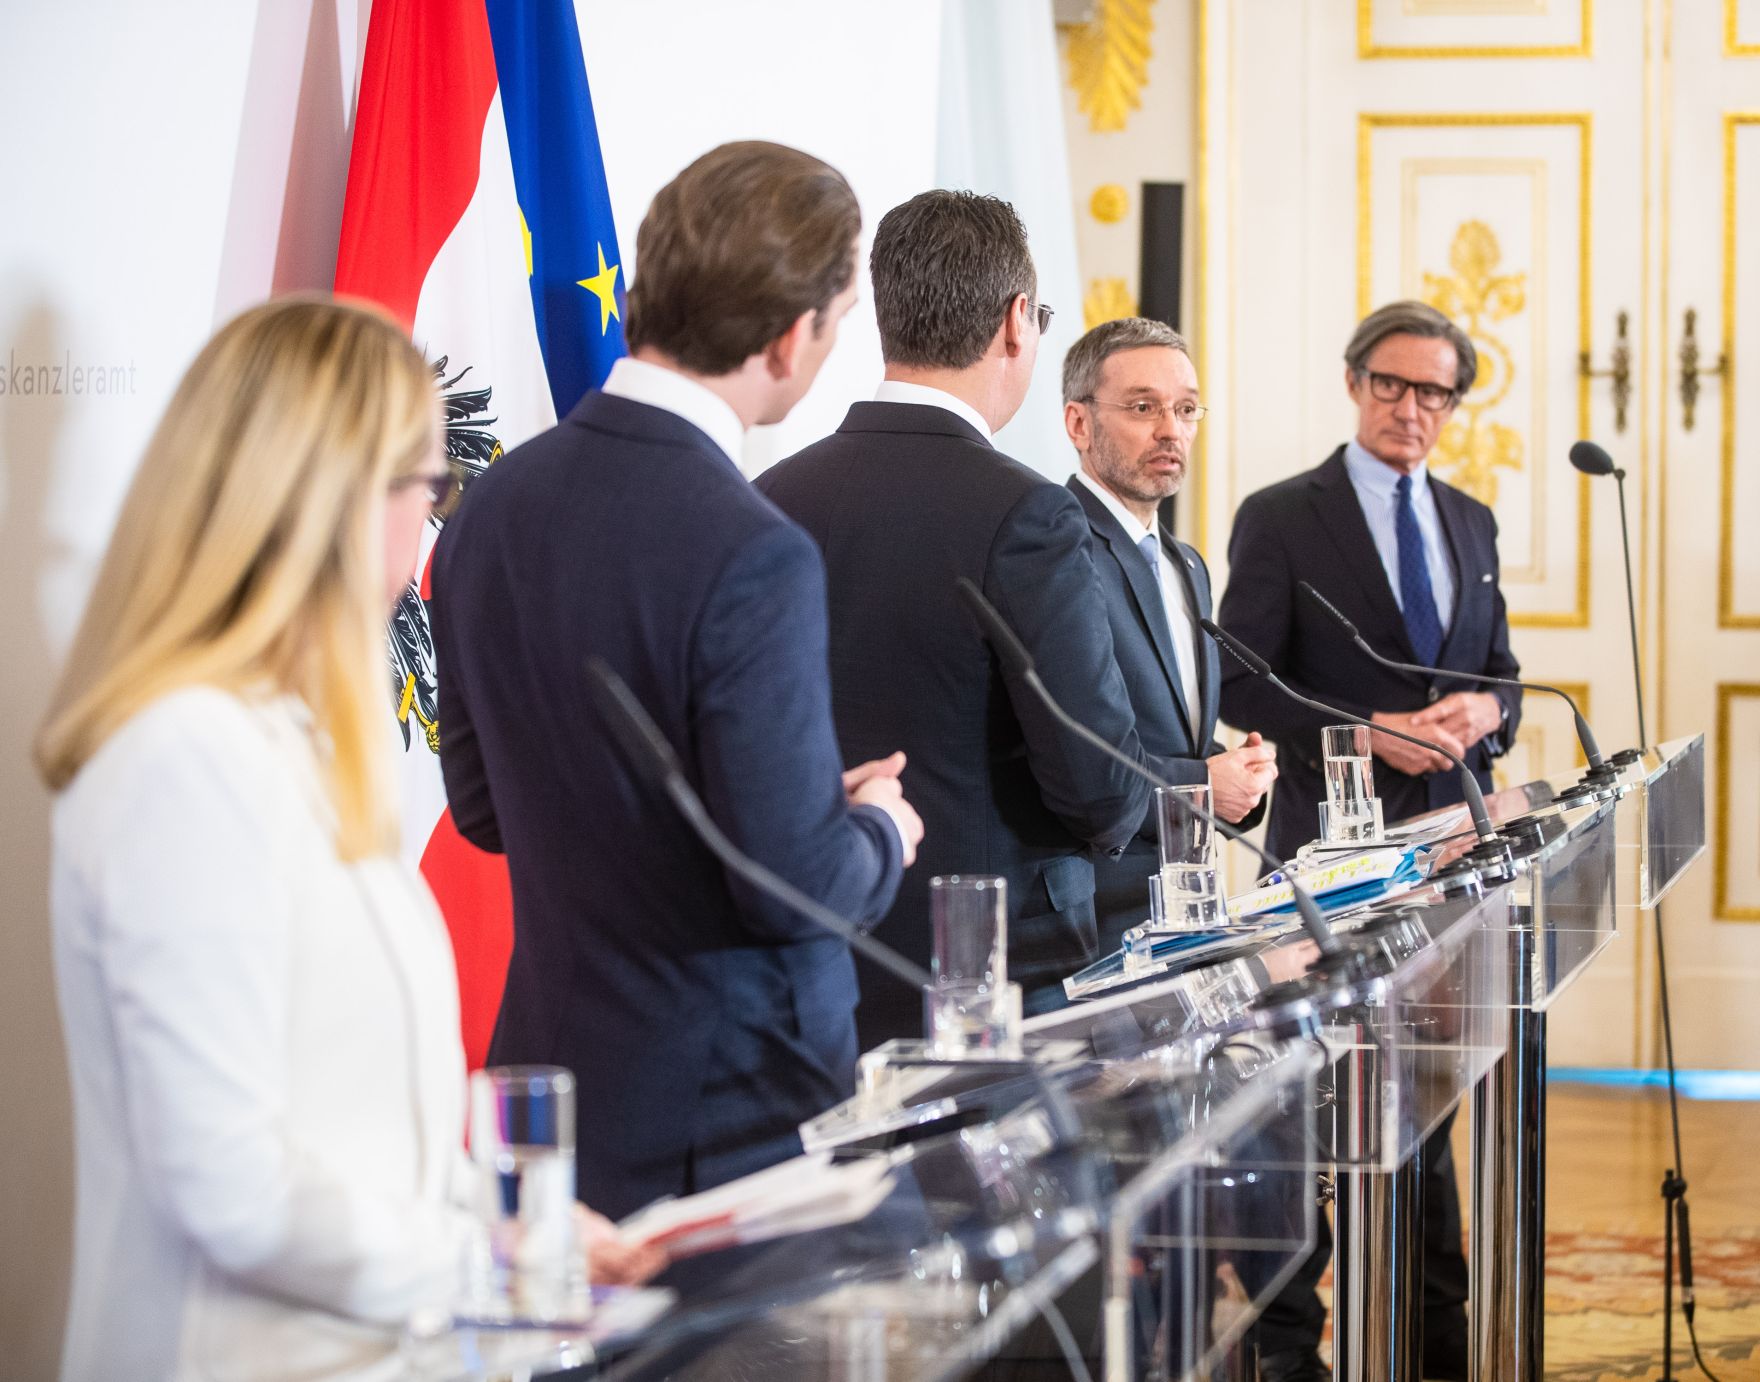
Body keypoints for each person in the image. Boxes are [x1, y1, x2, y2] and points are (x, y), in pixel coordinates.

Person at [34, 298, 660, 1382]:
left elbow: (369, 1132)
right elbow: (231, 1182)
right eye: (427, 488)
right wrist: (493, 1263)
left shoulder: (296, 744)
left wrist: (531, 1232)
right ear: (327, 497)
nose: (433, 526)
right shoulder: (183, 762)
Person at [430, 143, 923, 1226]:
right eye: (838, 320)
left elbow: (483, 807)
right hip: (731, 1112)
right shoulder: (752, 547)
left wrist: (785, 803)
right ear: (794, 335)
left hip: (560, 1087)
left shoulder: (486, 509)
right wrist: (876, 825)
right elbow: (792, 885)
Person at [758, 190, 1174, 1044]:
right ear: (1018, 322)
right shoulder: (1027, 513)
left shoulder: (772, 496)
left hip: (812, 955)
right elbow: (1103, 792)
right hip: (989, 977)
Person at [1217, 299, 1522, 1382]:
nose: (1410, 408)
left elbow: (1497, 670)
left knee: (1422, 1116)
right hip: (1323, 874)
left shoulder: (1471, 520)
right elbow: (1236, 676)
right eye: (1389, 384)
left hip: (1451, 864)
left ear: (1452, 404)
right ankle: (1286, 1351)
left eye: (1432, 391)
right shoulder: (1281, 515)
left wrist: (1491, 713)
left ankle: (1430, 1343)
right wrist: (1360, 732)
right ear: (1352, 383)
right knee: (1306, 1117)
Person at [1058, 317, 1276, 949]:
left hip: (1184, 898)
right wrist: (1207, 784)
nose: (1170, 430)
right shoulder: (1058, 549)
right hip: (1094, 911)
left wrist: (1234, 770)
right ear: (1079, 423)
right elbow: (1080, 751)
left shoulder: (1188, 564)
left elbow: (1173, 731)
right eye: (1143, 407)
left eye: (1185, 409)